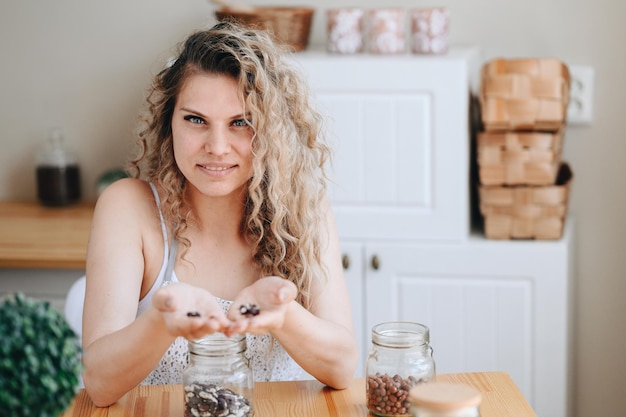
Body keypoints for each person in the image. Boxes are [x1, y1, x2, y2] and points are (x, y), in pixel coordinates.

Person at [81, 21, 358, 407]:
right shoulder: (128, 207)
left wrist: (283, 315)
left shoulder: (305, 209)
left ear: (271, 131)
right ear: (169, 124)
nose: (217, 146)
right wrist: (161, 323)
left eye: (240, 123)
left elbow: (343, 366)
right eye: (196, 120)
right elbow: (97, 382)